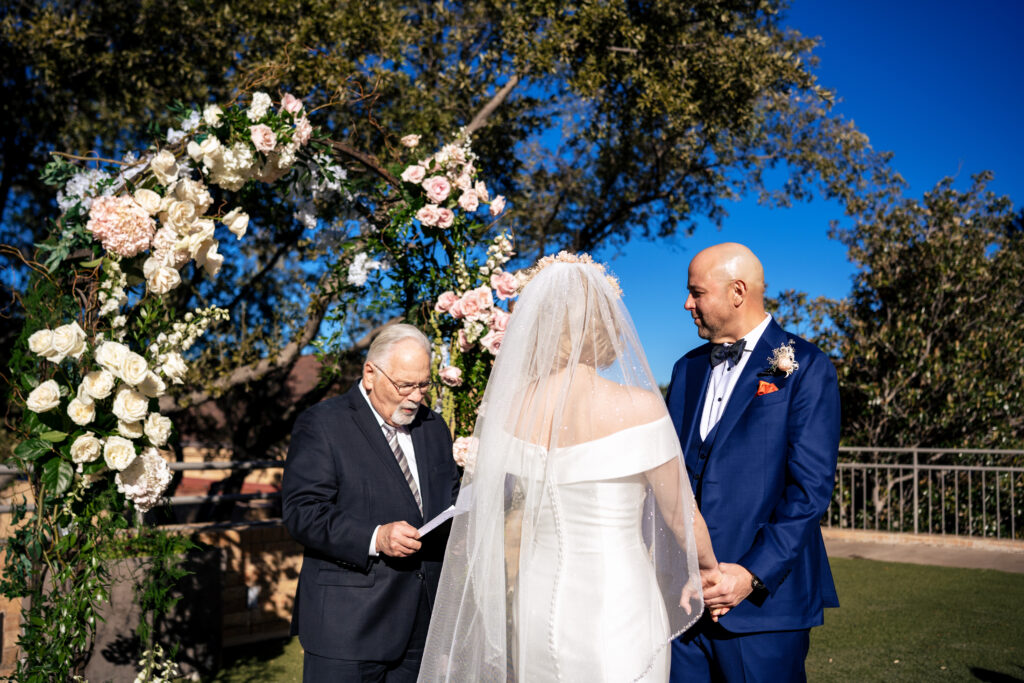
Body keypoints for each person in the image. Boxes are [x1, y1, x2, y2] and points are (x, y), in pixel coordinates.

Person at [418, 252, 720, 683]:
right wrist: (706, 568)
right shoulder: (640, 406)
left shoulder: (510, 410)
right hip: (618, 602)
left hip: (536, 601)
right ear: (607, 326)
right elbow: (680, 515)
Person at [666, 243, 841, 682]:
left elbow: (810, 491)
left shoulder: (806, 366)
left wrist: (749, 575)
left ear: (737, 292)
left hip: (765, 608)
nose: (687, 303)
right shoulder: (685, 370)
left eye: (696, 292)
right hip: (683, 603)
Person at [283, 324, 461, 682]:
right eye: (405, 385)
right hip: (347, 628)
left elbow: (448, 503)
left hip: (423, 626)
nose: (415, 397)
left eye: (424, 386)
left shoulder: (435, 427)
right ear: (370, 373)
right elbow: (301, 512)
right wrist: (375, 537)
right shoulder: (322, 423)